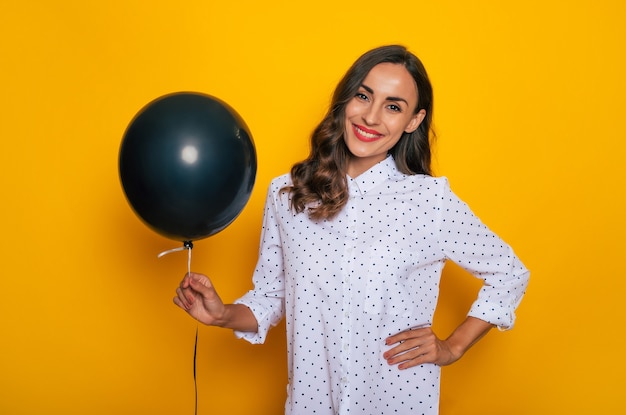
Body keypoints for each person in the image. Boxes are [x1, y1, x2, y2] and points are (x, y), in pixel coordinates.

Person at [173, 44, 530, 415]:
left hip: (399, 401)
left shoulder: (429, 200)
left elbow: (510, 273)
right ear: (345, 100)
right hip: (311, 404)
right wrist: (222, 314)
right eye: (363, 96)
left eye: (393, 106)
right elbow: (273, 295)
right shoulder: (288, 194)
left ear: (413, 120)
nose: (372, 117)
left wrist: (452, 346)